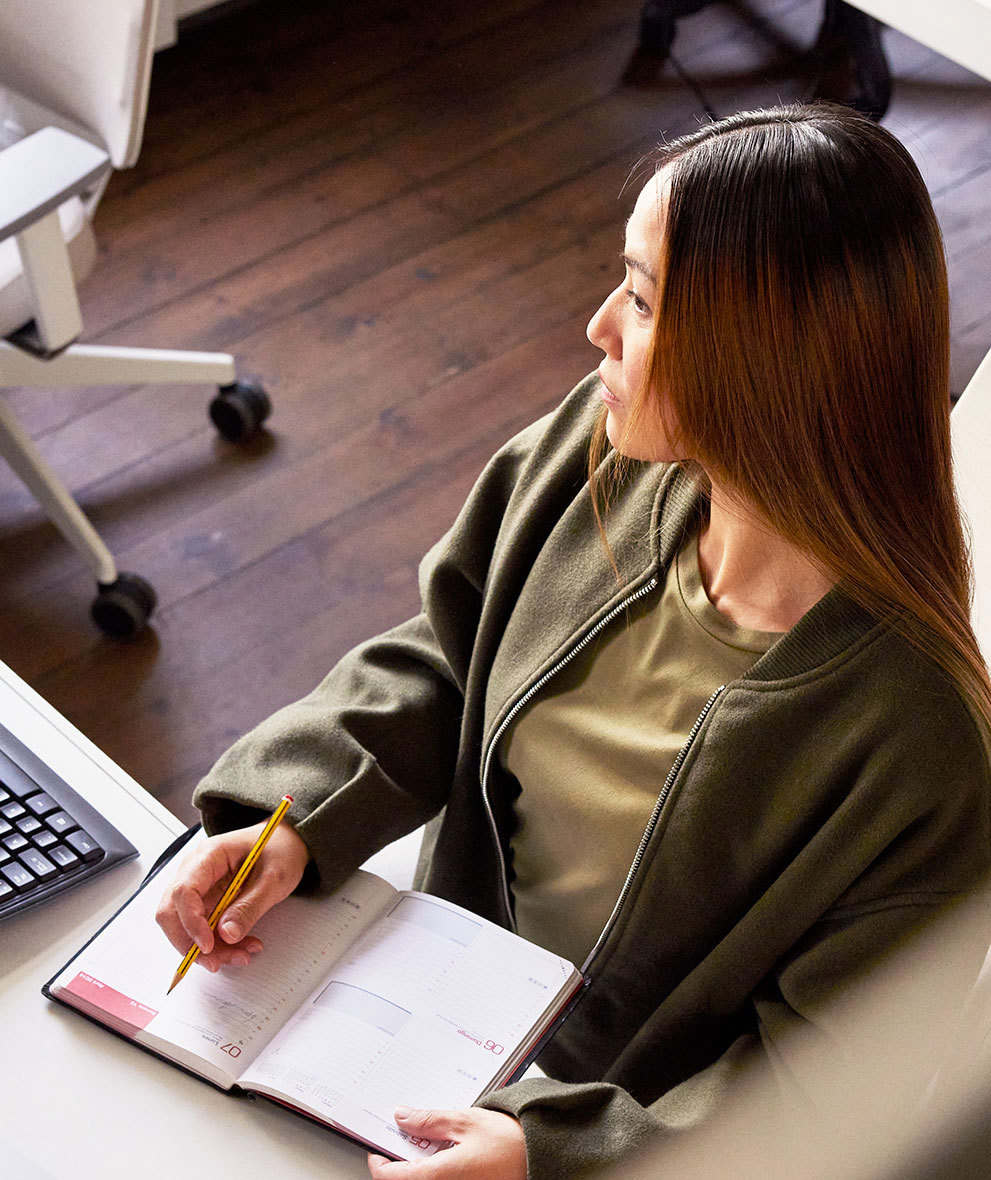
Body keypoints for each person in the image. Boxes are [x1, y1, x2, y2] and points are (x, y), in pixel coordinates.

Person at [156, 102, 991, 1180]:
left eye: (640, 298)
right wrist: (295, 818)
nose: (598, 324)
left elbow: (825, 1100)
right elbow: (447, 654)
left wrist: (556, 1155)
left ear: (766, 359)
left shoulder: (924, 754)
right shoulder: (592, 451)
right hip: (412, 1048)